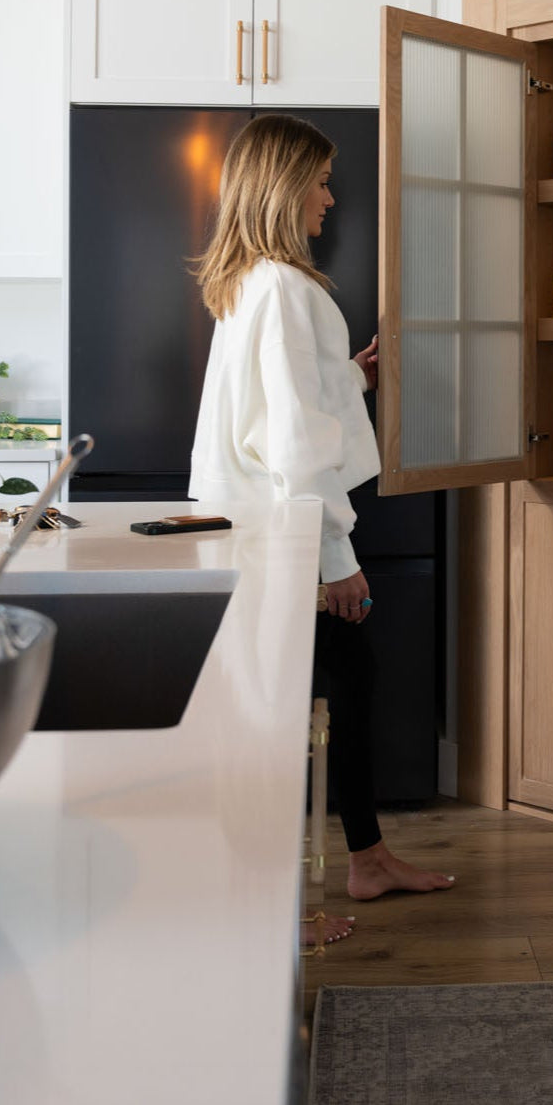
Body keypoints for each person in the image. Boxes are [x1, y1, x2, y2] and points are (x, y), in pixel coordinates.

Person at [188, 113, 454, 945]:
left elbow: (283, 404)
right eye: (320, 179)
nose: (331, 198)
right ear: (281, 186)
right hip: (285, 548)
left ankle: (366, 858)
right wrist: (336, 560)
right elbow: (295, 444)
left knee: (342, 683)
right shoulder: (286, 290)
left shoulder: (250, 285)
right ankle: (274, 902)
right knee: (277, 721)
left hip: (255, 540)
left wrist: (348, 376)